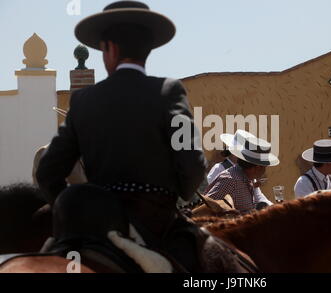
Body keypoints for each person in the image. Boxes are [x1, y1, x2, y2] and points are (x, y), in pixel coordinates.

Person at [36, 1, 207, 272]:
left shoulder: (82, 100)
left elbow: (47, 172)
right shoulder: (169, 91)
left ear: (109, 48)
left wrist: (76, 210)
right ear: (148, 49)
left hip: (96, 224)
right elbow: (192, 162)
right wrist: (176, 199)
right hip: (155, 224)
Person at [204, 130, 279, 214]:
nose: (265, 170)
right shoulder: (230, 180)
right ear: (257, 167)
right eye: (265, 166)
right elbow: (206, 207)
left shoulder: (247, 178)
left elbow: (258, 198)